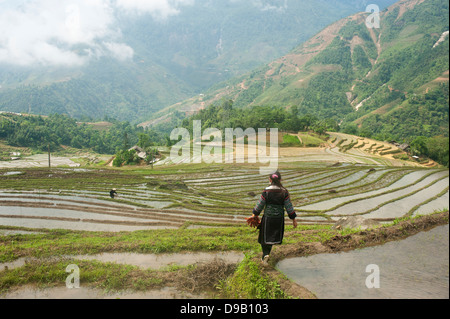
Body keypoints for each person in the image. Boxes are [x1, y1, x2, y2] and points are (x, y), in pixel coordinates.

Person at [250, 171, 297, 264]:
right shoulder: (284, 191)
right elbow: (289, 206)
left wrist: (254, 214)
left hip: (268, 217)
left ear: (270, 180)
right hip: (279, 218)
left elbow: (260, 204)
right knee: (272, 237)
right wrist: (294, 220)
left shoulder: (267, 191)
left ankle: (265, 254)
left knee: (264, 237)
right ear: (280, 180)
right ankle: (266, 255)